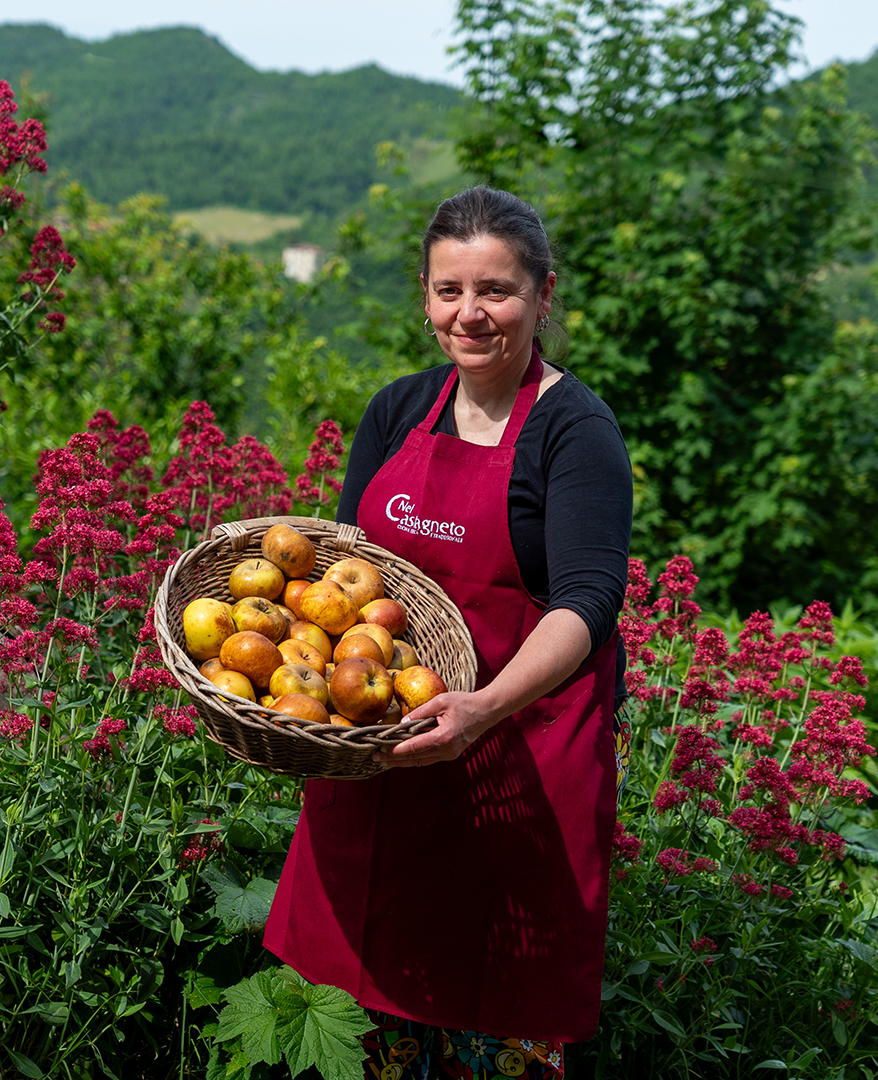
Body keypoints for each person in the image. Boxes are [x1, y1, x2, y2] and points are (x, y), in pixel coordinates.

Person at [263, 186, 633, 1080]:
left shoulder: (575, 433)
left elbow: (586, 603)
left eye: (496, 291)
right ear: (425, 298)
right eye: (448, 290)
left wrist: (483, 708)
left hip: (518, 766)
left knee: (493, 1028)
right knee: (361, 1025)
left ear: (544, 297)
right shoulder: (398, 412)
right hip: (386, 752)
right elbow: (339, 586)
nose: (470, 314)